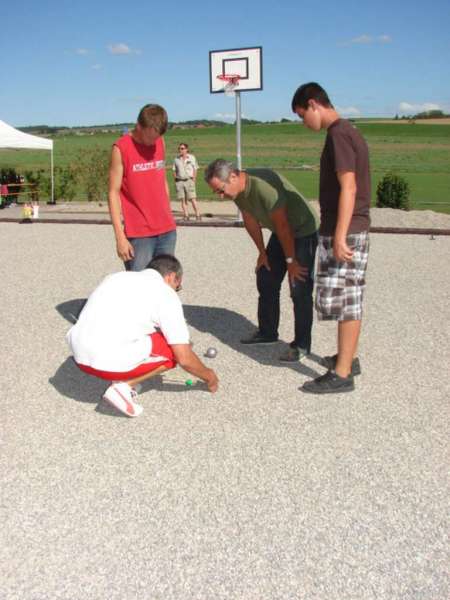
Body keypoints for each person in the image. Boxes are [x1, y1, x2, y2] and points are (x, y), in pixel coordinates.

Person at [66, 254, 219, 417]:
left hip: (78, 355)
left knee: (154, 338)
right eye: (178, 286)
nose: (176, 291)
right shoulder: (166, 294)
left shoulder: (115, 277)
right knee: (172, 351)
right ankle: (123, 387)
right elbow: (184, 358)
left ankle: (124, 371)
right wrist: (210, 376)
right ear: (171, 277)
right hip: (104, 363)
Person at [291, 82, 370, 394]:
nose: (303, 123)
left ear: (313, 104)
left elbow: (348, 186)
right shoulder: (348, 130)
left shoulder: (338, 133)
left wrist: (339, 236)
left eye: (301, 116)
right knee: (342, 297)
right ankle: (347, 358)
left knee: (347, 300)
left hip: (346, 230)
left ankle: (342, 373)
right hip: (348, 227)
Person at [205, 160, 319, 362]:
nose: (221, 196)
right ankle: (268, 333)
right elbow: (250, 220)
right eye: (217, 193)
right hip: (280, 230)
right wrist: (262, 252)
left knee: (298, 285)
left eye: (221, 190)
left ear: (233, 176)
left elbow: (284, 226)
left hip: (302, 229)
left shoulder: (263, 187)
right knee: (266, 276)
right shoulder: (237, 192)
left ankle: (301, 344)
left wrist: (291, 262)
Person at [108, 104, 176, 271]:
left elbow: (162, 180)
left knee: (165, 286)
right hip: (139, 235)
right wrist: (120, 237)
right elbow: (113, 193)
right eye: (150, 137)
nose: (154, 142)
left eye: (157, 137)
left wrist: (168, 213)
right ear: (139, 126)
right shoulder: (121, 148)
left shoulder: (160, 142)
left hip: (167, 230)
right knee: (139, 289)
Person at [172, 143, 201, 221]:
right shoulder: (176, 159)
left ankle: (197, 215)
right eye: (179, 148)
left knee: (192, 198)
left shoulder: (192, 158)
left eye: (182, 148)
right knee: (183, 199)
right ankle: (186, 215)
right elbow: (174, 170)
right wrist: (176, 179)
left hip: (189, 180)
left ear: (186, 149)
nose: (180, 150)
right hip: (180, 181)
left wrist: (194, 179)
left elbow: (195, 168)